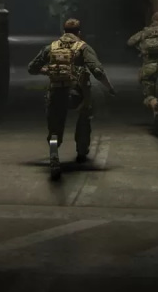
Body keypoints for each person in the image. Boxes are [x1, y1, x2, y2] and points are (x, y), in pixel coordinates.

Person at [28, 18, 116, 180]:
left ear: (63, 32)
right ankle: (81, 152)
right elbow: (97, 71)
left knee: (55, 127)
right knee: (84, 118)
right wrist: (109, 87)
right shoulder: (83, 47)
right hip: (77, 93)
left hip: (56, 92)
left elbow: (32, 68)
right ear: (79, 32)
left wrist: (48, 70)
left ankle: (54, 154)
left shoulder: (51, 47)